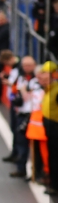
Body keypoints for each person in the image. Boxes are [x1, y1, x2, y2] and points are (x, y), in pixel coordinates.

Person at [41, 62, 58, 195]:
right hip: (49, 125)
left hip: (55, 126)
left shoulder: (55, 89)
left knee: (55, 156)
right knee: (52, 155)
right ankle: (52, 181)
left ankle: (54, 184)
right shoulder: (49, 88)